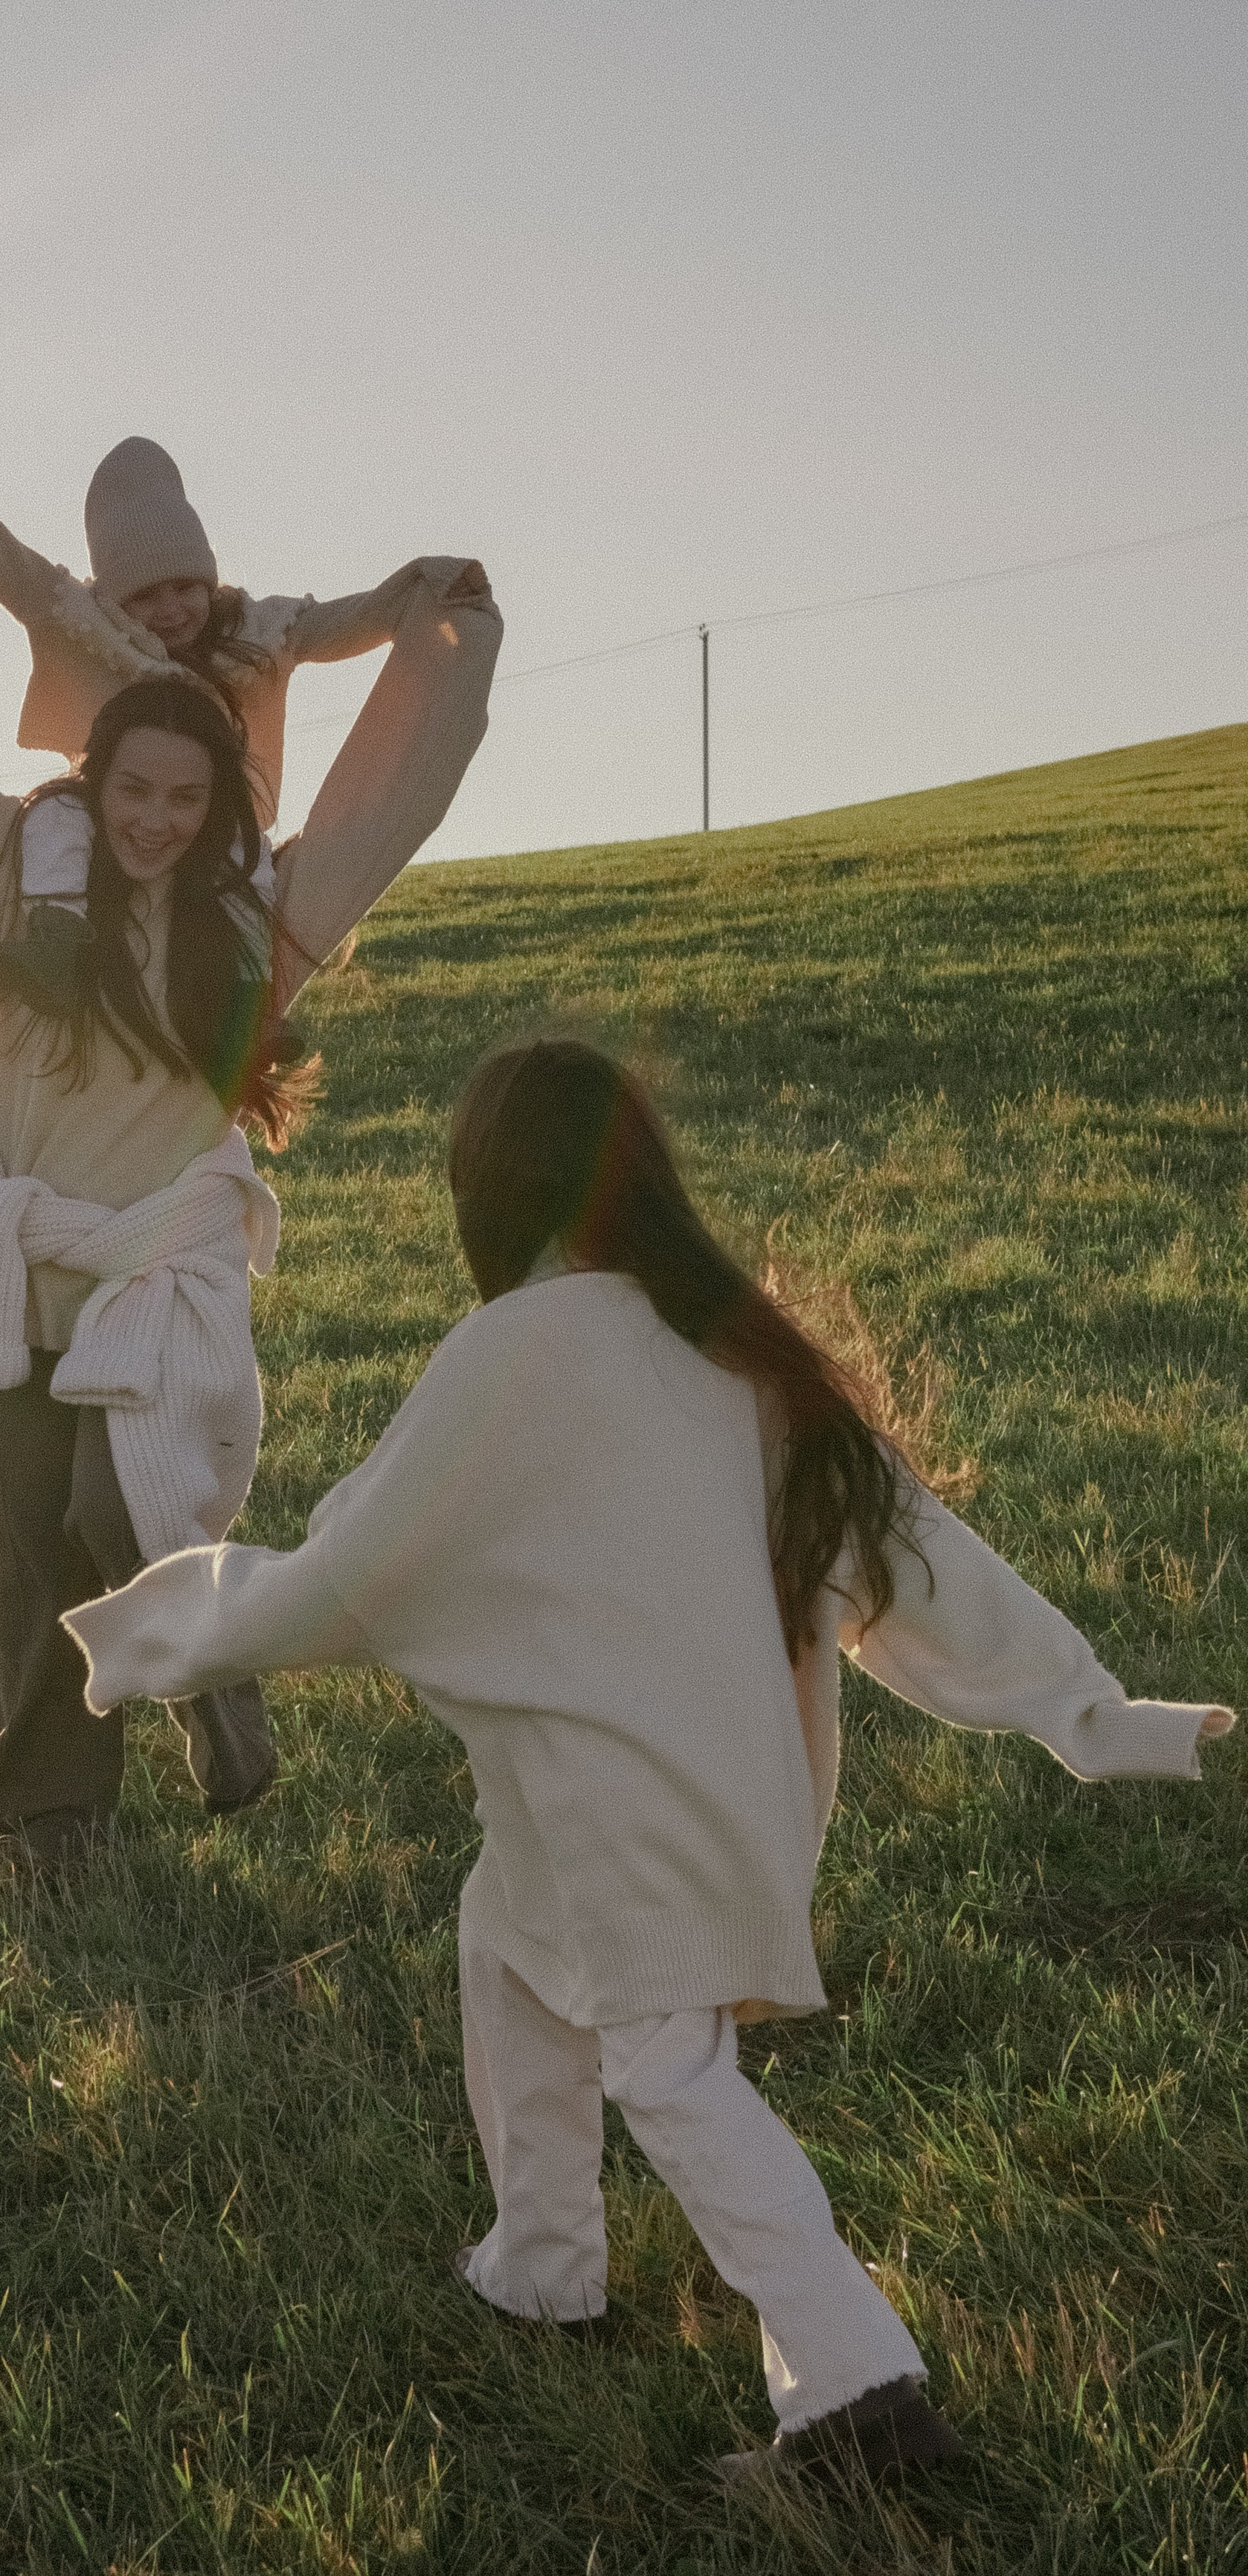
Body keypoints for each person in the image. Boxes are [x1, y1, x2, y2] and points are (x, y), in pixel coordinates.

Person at [62, 1037, 1235, 2485]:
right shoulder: (734, 1346)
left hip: (627, 1814)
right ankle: (541, 2266)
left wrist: (151, 1637)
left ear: (487, 1193)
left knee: (669, 2072)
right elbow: (917, 1555)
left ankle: (865, 2407)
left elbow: (350, 1571)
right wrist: (1092, 1710)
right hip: (702, 1800)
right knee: (502, 1948)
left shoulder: (511, 1351)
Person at [0, 469, 501, 1870]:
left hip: (155, 1275)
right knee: (29, 1562)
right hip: (24, 1280)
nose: (152, 819)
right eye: (133, 788)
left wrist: (451, 653)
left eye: (184, 799)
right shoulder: (23, 879)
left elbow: (388, 803)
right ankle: (64, 1817)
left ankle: (194, 1680)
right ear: (98, 780)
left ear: (215, 807)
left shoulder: (257, 926)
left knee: (110, 1505)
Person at [0, 437, 476, 1015]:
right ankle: (58, 936)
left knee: (251, 869)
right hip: (112, 808)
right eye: (146, 595)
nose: (170, 608)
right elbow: (11, 570)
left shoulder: (257, 630)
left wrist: (422, 583)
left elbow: (344, 621)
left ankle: (250, 996)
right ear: (117, 601)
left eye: (185, 587)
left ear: (210, 581)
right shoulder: (89, 626)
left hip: (218, 813)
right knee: (53, 815)